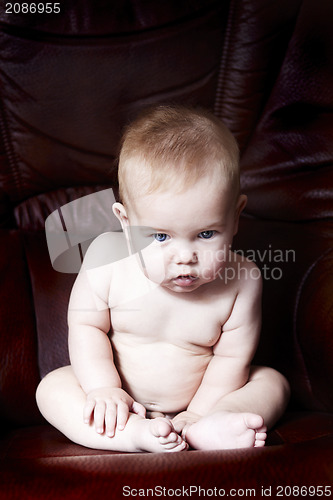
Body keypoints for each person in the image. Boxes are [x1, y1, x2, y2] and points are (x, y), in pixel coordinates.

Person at [36, 105, 290, 453]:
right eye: (159, 237)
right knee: (52, 389)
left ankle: (213, 425)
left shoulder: (242, 280)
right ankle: (134, 435)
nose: (184, 257)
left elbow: (231, 360)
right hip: (120, 401)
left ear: (235, 218)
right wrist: (103, 389)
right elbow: (86, 326)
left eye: (205, 234)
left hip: (205, 401)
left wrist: (198, 412)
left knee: (272, 383)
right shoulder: (105, 259)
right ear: (126, 223)